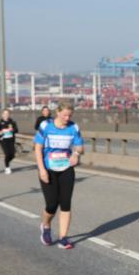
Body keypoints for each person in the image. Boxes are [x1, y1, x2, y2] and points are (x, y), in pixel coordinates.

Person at [34, 101, 84, 250]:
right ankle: (46, 225)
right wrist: (42, 170)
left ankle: (63, 237)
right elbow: (37, 149)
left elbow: (80, 146)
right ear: (58, 112)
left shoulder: (73, 128)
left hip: (66, 169)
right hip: (48, 169)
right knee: (51, 205)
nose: (67, 118)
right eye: (64, 115)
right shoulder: (45, 126)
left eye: (69, 115)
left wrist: (75, 154)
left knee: (66, 203)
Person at [0, 109, 20, 174]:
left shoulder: (12, 122)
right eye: (5, 114)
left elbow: (16, 130)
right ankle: (7, 167)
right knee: (7, 154)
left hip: (11, 140)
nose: (6, 115)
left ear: (9, 115)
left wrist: (12, 130)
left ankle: (6, 162)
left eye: (7, 114)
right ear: (2, 115)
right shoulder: (0, 122)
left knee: (13, 154)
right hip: (3, 140)